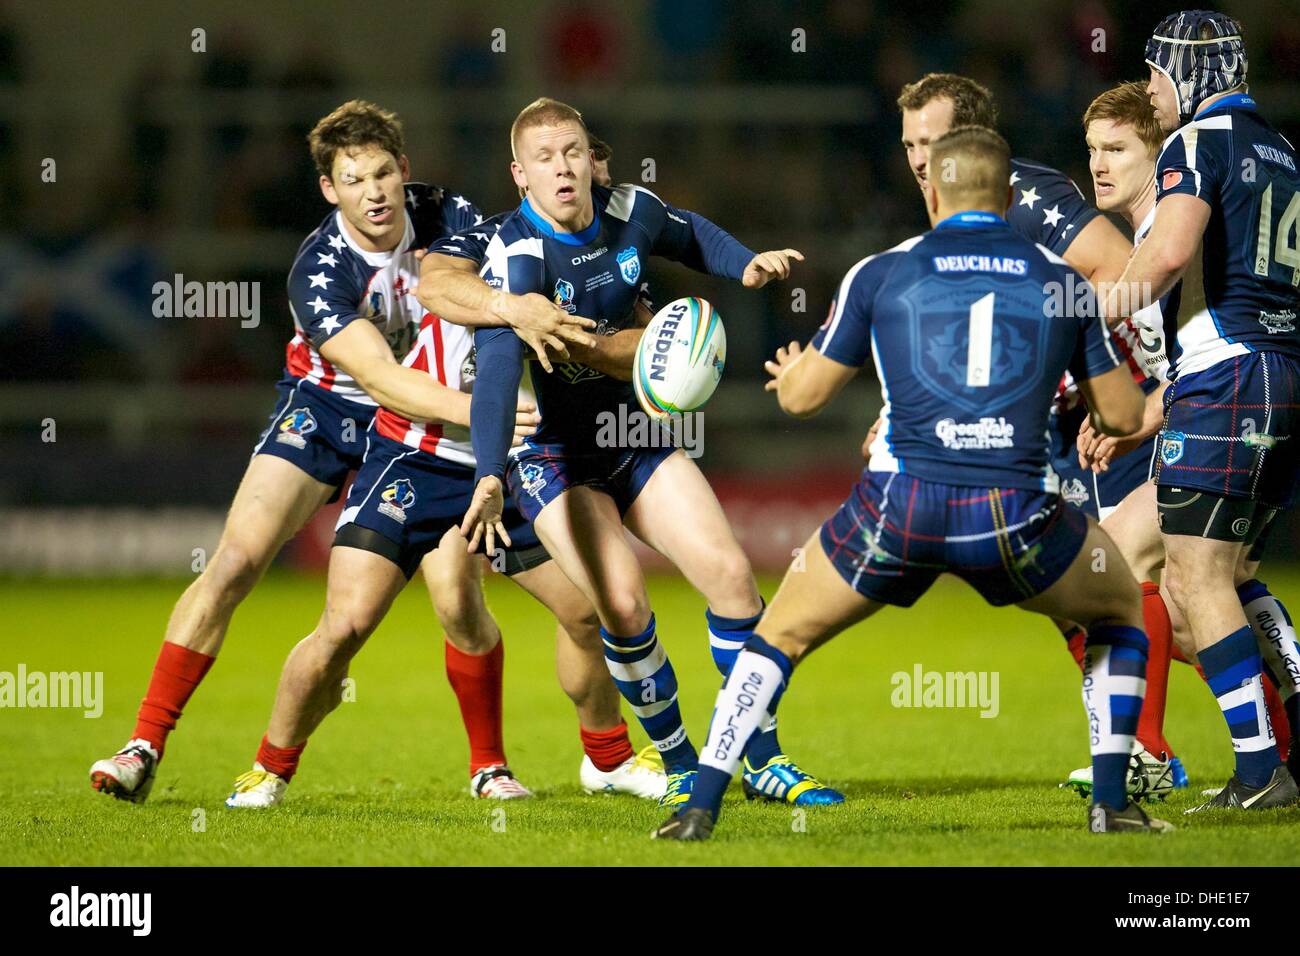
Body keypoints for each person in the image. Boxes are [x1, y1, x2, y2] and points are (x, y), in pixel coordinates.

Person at [90, 100, 645, 805]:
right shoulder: (318, 272)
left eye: (383, 173)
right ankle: (145, 743)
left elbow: (517, 276)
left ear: (404, 171)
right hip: (330, 409)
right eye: (353, 180)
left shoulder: (449, 215)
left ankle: (492, 768)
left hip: (427, 433)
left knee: (457, 599)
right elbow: (381, 379)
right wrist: (491, 416)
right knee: (235, 563)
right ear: (329, 189)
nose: (374, 192)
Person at [654, 126, 1167, 840]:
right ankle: (1111, 804)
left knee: (777, 635)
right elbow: (1121, 413)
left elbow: (804, 399)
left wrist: (792, 371)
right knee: (1119, 608)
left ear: (932, 188)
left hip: (899, 508)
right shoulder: (1061, 281)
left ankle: (701, 805)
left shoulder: (881, 272)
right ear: (1010, 194)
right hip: (1013, 513)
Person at [450, 96, 842, 807]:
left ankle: (764, 760)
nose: (563, 167)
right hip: (551, 456)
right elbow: (500, 374)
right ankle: (681, 762)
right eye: (545, 158)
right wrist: (486, 475)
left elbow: (689, 234)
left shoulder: (629, 209)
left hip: (631, 433)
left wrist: (745, 264)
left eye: (572, 150)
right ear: (520, 175)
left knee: (730, 575)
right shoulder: (517, 257)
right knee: (623, 603)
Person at [893, 73, 1185, 787]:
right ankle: (1188, 738)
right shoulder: (952, 215)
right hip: (1050, 425)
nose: (918, 160)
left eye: (931, 142)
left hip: (1115, 406)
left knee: (1132, 581)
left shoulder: (1022, 191)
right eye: (907, 144)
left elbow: (1121, 270)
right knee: (1079, 590)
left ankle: (1146, 752)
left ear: (973, 139)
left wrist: (1106, 380)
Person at [1066, 80, 1294, 798]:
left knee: (1150, 567)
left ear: (1157, 153)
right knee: (1207, 590)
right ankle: (1270, 746)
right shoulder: (1184, 221)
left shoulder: (1174, 227)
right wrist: (1135, 421)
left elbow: (1199, 337)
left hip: (1234, 388)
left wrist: (1064, 325)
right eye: (1092, 150)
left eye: (1118, 149)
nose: (1100, 165)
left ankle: (1153, 750)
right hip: (1260, 383)